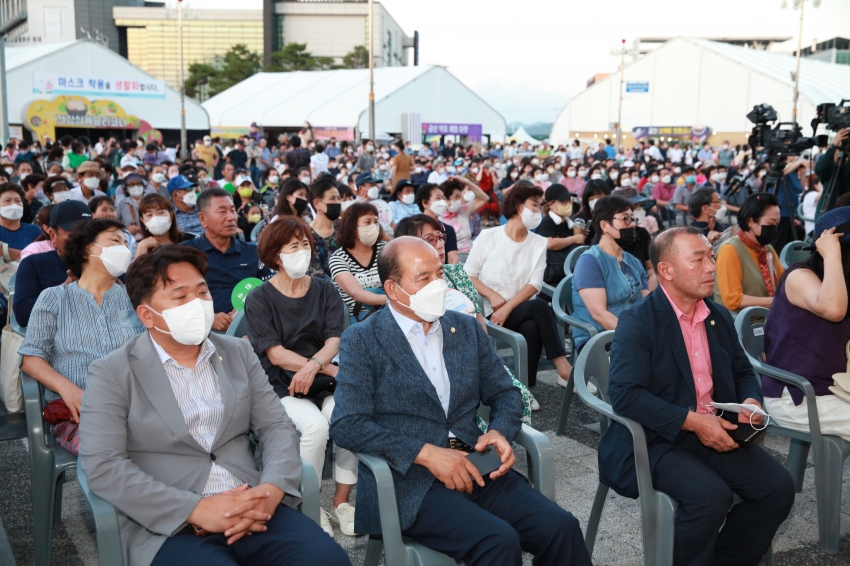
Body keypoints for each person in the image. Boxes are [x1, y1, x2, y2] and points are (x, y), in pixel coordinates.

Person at [78, 245, 351, 566]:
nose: (197, 303)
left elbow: (276, 427)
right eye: (180, 297)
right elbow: (105, 466)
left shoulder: (237, 353)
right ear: (146, 315)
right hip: (170, 525)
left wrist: (271, 490)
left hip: (252, 503)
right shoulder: (111, 372)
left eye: (202, 292)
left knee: (328, 560)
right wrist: (194, 509)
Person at [330, 236, 592, 566]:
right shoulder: (364, 339)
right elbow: (347, 424)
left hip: (477, 463)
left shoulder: (464, 328)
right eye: (423, 278)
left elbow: (505, 392)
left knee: (561, 528)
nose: (437, 284)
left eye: (439, 274)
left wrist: (499, 431)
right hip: (409, 480)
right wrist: (425, 454)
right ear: (393, 289)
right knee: (498, 542)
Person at [599, 226, 795, 565]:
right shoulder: (639, 321)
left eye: (711, 256)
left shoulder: (715, 315)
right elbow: (626, 395)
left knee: (777, 489)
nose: (711, 267)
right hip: (659, 438)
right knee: (709, 498)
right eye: (699, 259)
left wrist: (750, 401)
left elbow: (742, 372)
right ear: (667, 271)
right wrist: (693, 422)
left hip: (715, 429)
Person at [246, 217, 358, 538]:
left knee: (346, 415)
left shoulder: (324, 288)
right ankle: (310, 504)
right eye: (293, 246)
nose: (302, 251)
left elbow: (335, 338)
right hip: (280, 382)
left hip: (323, 377)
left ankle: (341, 502)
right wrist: (316, 366)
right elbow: (275, 354)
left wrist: (313, 367)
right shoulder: (260, 298)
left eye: (306, 244)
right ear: (276, 255)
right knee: (315, 427)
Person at [19, 219, 144, 455]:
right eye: (116, 240)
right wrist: (68, 389)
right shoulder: (55, 298)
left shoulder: (135, 299)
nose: (124, 248)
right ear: (88, 248)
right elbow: (31, 357)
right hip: (79, 413)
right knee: (112, 450)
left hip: (138, 407)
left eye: (126, 243)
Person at [464, 182, 572, 388]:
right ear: (518, 206)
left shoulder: (538, 243)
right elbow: (469, 275)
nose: (538, 211)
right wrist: (494, 297)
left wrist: (508, 307)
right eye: (534, 205)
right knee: (540, 309)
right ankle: (564, 368)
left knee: (532, 323)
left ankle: (524, 388)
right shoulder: (488, 237)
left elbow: (535, 285)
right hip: (489, 311)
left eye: (539, 206)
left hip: (520, 310)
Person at [762, 207, 850, 440]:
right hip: (799, 395)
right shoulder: (799, 276)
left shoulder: (841, 282)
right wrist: (833, 256)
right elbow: (834, 309)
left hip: (836, 388)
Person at [182, 188, 272, 332]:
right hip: (203, 331)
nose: (231, 217)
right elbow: (176, 298)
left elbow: (270, 290)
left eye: (233, 210)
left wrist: (245, 313)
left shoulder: (253, 252)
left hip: (253, 326)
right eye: (222, 211)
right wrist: (208, 317)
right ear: (203, 219)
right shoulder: (185, 254)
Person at [571, 196, 649, 353]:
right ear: (605, 225)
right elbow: (599, 314)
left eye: (632, 219)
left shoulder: (633, 262)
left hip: (634, 333)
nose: (632, 223)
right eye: (625, 219)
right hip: (600, 337)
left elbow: (646, 305)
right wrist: (639, 336)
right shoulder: (590, 262)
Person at [14, 201, 90, 327]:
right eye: (75, 233)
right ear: (53, 235)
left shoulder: (105, 262)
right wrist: (62, 291)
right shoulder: (34, 264)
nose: (84, 238)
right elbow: (22, 315)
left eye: (89, 232)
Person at [714, 192, 784, 313]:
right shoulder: (730, 249)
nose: (774, 229)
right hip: (741, 322)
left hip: (763, 315)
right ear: (751, 221)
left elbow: (783, 282)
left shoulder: (766, 248)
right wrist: (776, 302)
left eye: (776, 224)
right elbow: (733, 300)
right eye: (770, 223)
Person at [328, 201, 388, 317]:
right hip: (360, 318)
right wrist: (393, 301)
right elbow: (356, 293)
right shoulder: (339, 259)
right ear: (352, 226)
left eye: (376, 222)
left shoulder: (384, 249)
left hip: (389, 312)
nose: (373, 226)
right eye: (367, 222)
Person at [535, 184, 585, 285]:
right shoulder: (547, 222)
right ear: (551, 204)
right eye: (563, 201)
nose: (567, 204)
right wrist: (574, 239)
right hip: (549, 276)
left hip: (566, 272)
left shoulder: (569, 223)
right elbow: (549, 243)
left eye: (568, 200)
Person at [439, 177, 489, 254]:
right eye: (456, 197)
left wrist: (467, 182)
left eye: (459, 197)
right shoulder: (438, 217)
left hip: (469, 255)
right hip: (450, 258)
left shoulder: (464, 210)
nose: (458, 201)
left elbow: (484, 198)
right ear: (445, 198)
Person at [414, 183, 459, 264]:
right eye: (438, 198)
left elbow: (453, 259)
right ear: (425, 203)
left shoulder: (448, 229)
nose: (442, 202)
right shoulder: (413, 227)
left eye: (443, 199)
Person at [307, 178, 341, 277]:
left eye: (338, 198)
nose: (337, 203)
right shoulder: (306, 236)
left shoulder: (343, 229)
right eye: (332, 198)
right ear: (317, 204)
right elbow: (316, 274)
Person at [0, 182, 42, 258]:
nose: (14, 205)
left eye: (17, 201)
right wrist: (30, 254)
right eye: (8, 201)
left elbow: (43, 255)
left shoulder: (34, 230)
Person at [815, 128, 849, 212]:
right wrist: (834, 145)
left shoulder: (846, 168)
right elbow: (820, 168)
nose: (839, 154)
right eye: (837, 151)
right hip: (828, 212)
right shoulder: (829, 171)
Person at [355, 172, 393, 237]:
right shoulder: (356, 208)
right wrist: (392, 241)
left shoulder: (378, 204)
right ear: (361, 189)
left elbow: (391, 221)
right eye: (372, 185)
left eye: (375, 185)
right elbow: (376, 231)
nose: (375, 188)